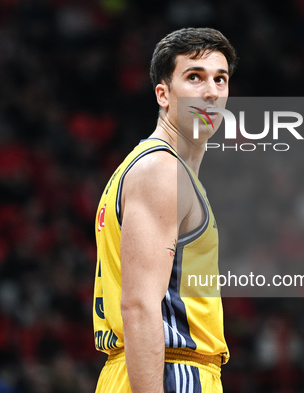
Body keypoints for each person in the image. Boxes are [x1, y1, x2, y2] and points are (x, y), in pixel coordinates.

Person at [93, 27, 237, 393]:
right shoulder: (161, 171)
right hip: (172, 372)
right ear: (163, 94)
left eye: (220, 80)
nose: (211, 92)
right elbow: (140, 306)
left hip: (140, 370)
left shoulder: (150, 168)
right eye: (194, 77)